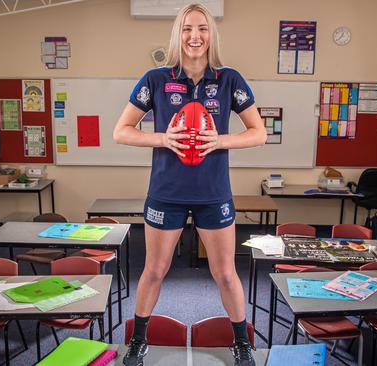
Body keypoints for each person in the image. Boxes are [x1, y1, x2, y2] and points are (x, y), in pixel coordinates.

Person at [113, 3, 266, 366]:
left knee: (226, 274)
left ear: (211, 35)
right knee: (154, 269)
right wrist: (164, 138)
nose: (194, 36)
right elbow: (121, 131)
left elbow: (258, 133)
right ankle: (138, 339)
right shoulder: (155, 79)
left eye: (201, 28)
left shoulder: (229, 79)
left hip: (214, 194)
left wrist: (220, 141)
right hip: (166, 193)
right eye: (186, 29)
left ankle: (241, 342)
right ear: (177, 35)